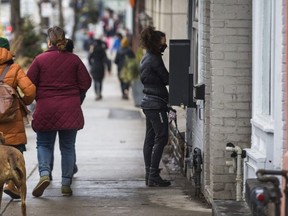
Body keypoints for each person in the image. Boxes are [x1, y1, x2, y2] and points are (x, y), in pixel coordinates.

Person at [27, 26, 92, 197]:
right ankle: (65, 184)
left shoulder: (40, 60)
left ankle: (44, 174)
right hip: (70, 108)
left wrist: (37, 96)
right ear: (64, 39)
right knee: (68, 147)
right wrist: (74, 96)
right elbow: (86, 82)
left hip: (45, 108)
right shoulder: (74, 60)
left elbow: (27, 84)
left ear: (49, 41)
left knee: (43, 144)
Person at [0, 37, 36, 198]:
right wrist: (22, 102)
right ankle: (11, 184)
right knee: (15, 152)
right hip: (12, 118)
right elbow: (30, 91)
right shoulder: (14, 69)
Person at [139, 26, 171, 187]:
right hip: (156, 103)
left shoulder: (146, 57)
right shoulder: (155, 58)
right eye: (163, 43)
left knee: (150, 138)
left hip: (148, 102)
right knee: (162, 137)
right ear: (156, 42)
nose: (165, 45)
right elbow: (166, 79)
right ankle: (153, 175)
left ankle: (149, 174)